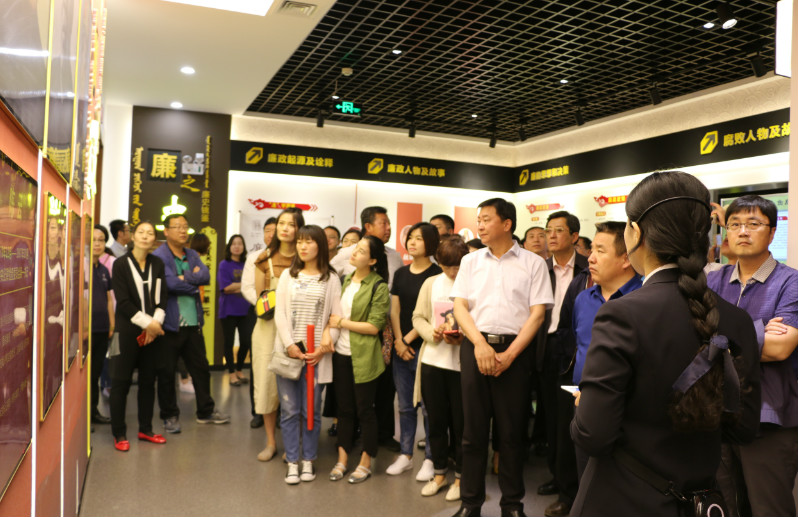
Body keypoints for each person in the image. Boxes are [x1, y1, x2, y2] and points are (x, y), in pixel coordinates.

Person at [570, 171, 761, 516]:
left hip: (625, 499)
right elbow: (744, 428)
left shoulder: (621, 314)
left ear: (636, 233)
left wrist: (585, 408)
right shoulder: (737, 319)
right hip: (700, 500)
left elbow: (593, 435)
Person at [450, 198, 553, 517]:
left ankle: (512, 505)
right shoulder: (470, 261)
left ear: (507, 224)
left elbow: (537, 315)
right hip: (475, 347)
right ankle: (470, 504)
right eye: (478, 219)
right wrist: (479, 344)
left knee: (512, 434)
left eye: (486, 219)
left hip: (515, 352)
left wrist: (509, 355)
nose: (479, 225)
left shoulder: (533, 263)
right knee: (472, 433)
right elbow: (459, 307)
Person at [708, 194, 798, 517]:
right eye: (734, 224)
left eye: (753, 223)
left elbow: (781, 347)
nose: (743, 231)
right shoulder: (712, 280)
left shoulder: (791, 282)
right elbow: (693, 340)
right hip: (716, 411)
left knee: (768, 508)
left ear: (772, 232)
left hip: (769, 415)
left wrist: (715, 342)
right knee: (722, 506)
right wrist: (760, 331)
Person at [566, 222, 642, 477]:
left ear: (626, 259)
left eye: (600, 250)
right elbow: (578, 343)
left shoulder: (645, 298)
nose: (591, 257)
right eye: (591, 250)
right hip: (584, 404)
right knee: (586, 478)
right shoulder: (583, 299)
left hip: (629, 410)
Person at [331, 207, 404, 453]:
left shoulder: (393, 259)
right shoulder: (346, 256)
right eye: (384, 223)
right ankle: (347, 441)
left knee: (379, 392)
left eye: (389, 223)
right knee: (348, 400)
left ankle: (380, 438)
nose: (389, 228)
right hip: (348, 336)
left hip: (381, 331)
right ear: (368, 227)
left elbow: (390, 301)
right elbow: (330, 280)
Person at [274, 225, 342, 484]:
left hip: (316, 356)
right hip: (289, 354)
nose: (302, 246)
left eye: (308, 242)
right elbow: (280, 313)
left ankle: (308, 460)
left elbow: (336, 318)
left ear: (320, 246)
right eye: (299, 242)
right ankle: (292, 461)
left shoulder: (331, 278)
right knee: (289, 410)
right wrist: (290, 344)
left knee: (311, 411)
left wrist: (323, 349)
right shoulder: (288, 276)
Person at [152, 214, 230, 434]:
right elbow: (168, 284)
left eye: (185, 226)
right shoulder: (159, 255)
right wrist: (192, 283)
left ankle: (205, 411)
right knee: (167, 373)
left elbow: (205, 277)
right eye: (177, 227)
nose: (183, 231)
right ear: (166, 231)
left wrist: (184, 278)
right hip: (169, 324)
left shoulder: (192, 254)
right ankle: (169, 415)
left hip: (193, 323)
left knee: (201, 369)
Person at [536, 210, 588, 516]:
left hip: (575, 347)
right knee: (551, 417)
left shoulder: (587, 268)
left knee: (570, 418)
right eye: (548, 231)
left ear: (574, 236)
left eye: (558, 230)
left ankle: (570, 491)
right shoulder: (540, 268)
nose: (551, 236)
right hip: (545, 346)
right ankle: (557, 476)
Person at [328, 235, 391, 484]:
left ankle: (366, 460)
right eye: (356, 248)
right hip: (341, 354)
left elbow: (374, 327)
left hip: (364, 356)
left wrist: (342, 323)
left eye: (362, 251)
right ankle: (342, 459)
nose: (354, 252)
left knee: (365, 410)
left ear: (373, 260)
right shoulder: (345, 280)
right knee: (344, 410)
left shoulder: (379, 286)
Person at [413, 235, 470, 501]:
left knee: (461, 425)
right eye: (447, 266)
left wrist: (464, 336)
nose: (452, 272)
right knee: (435, 422)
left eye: (457, 266)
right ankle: (438, 474)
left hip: (461, 366)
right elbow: (417, 317)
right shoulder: (431, 283)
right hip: (432, 362)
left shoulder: (472, 284)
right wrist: (431, 333)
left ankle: (460, 478)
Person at [386, 222, 442, 480]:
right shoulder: (400, 273)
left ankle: (430, 458)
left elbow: (432, 315)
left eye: (419, 238)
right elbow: (395, 310)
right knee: (405, 406)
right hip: (401, 349)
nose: (412, 242)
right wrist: (399, 340)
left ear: (430, 243)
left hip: (427, 349)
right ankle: (406, 455)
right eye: (410, 237)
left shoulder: (437, 274)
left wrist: (407, 340)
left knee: (429, 408)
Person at [109, 221, 167, 451]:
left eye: (150, 233)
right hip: (126, 331)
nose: (145, 236)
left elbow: (162, 299)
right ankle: (119, 433)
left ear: (154, 239)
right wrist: (149, 324)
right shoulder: (120, 264)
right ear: (132, 237)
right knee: (120, 382)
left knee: (148, 382)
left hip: (152, 333)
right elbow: (123, 302)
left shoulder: (157, 263)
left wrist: (155, 323)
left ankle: (146, 429)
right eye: (141, 232)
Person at [252, 208, 304, 461]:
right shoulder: (264, 259)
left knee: (296, 386)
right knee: (266, 386)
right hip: (267, 329)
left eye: (291, 224)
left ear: (299, 228)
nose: (284, 228)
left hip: (297, 329)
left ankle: (294, 444)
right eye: (281, 223)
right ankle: (271, 442)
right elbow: (259, 301)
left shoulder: (305, 259)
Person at [241, 217, 278, 429]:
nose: (271, 234)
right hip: (259, 314)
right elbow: (247, 287)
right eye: (267, 230)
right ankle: (258, 411)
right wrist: (264, 306)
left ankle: (280, 412)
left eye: (275, 230)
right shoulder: (255, 257)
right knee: (259, 364)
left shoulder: (291, 258)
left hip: (283, 317)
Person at [218, 234, 252, 386]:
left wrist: (237, 287)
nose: (237, 246)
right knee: (229, 342)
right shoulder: (224, 264)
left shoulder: (247, 265)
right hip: (228, 310)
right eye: (234, 244)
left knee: (246, 341)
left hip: (246, 309)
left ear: (244, 247)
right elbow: (226, 288)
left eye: (240, 243)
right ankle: (231, 373)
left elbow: (252, 285)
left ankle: (239, 370)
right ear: (229, 247)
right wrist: (245, 285)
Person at [90, 225, 115, 425]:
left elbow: (108, 299)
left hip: (102, 329)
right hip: (85, 331)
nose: (97, 244)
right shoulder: (79, 267)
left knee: (96, 373)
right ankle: (83, 417)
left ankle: (93, 412)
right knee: (85, 376)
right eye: (93, 239)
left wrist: (112, 325)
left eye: (101, 240)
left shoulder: (104, 270)